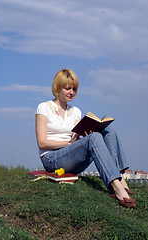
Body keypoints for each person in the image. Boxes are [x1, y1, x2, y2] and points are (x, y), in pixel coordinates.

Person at [35, 68, 136, 208]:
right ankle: (116, 186)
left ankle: (120, 176)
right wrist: (69, 143)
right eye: (67, 88)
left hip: (72, 158)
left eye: (74, 89)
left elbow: (79, 135)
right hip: (52, 159)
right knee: (93, 138)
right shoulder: (43, 108)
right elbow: (42, 143)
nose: (72, 92)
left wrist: (84, 134)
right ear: (57, 88)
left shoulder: (75, 111)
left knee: (108, 129)